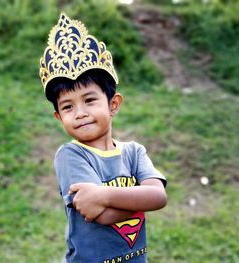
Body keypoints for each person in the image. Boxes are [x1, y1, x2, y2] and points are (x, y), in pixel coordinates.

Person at [39, 13, 167, 263]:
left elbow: (159, 196)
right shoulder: (70, 155)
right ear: (58, 117)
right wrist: (142, 197)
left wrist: (103, 195)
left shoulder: (133, 152)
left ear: (113, 104)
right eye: (68, 107)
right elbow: (102, 215)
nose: (80, 113)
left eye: (89, 100)